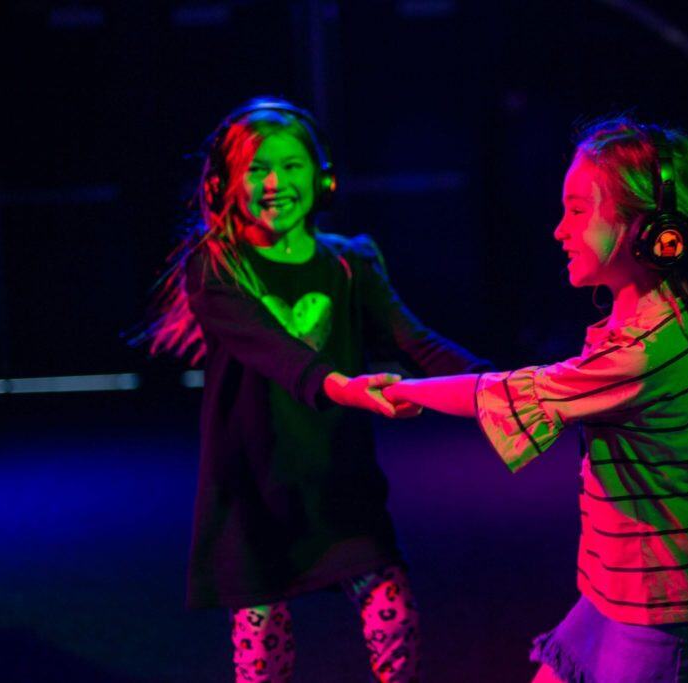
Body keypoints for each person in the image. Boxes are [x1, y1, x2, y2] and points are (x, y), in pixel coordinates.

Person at [382, 117, 688, 682]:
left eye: (577, 211)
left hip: (665, 605)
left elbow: (507, 393)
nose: (558, 230)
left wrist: (402, 389)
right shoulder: (643, 318)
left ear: (647, 230)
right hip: (618, 587)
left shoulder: (645, 347)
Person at [140, 97, 490, 682]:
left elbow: (417, 341)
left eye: (292, 165)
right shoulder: (216, 267)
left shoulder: (353, 262)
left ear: (321, 176)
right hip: (255, 493)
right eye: (257, 169)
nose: (276, 182)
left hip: (338, 484)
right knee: (261, 654)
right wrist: (347, 388)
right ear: (227, 182)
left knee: (393, 623)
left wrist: (503, 387)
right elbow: (276, 353)